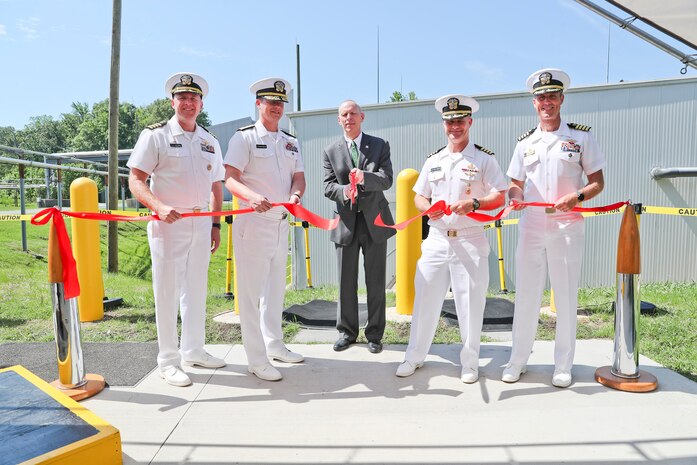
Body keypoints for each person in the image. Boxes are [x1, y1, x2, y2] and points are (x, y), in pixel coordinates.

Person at [502, 68, 606, 388]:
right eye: (540, 97)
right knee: (527, 295)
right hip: (532, 225)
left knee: (565, 295)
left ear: (562, 99)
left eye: (551, 96)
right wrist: (515, 198)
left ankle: (563, 364)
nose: (546, 102)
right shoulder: (525, 143)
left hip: (566, 224)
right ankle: (518, 359)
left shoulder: (580, 137)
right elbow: (515, 184)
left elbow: (597, 183)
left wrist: (575, 197)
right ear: (534, 103)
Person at [396, 95, 507, 382]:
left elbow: (499, 194)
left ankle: (470, 363)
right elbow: (420, 196)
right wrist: (427, 208)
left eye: (459, 121)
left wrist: (476, 204)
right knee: (425, 300)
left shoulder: (484, 159)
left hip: (469, 239)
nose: (454, 127)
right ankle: (414, 356)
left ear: (470, 122)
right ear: (443, 124)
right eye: (449, 122)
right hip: (436, 238)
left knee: (470, 303)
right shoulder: (434, 160)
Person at [127, 72, 226, 387]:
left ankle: (194, 349)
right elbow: (136, 180)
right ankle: (168, 360)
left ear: (201, 103)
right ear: (172, 102)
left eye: (193, 98)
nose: (188, 103)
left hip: (200, 224)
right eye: (182, 97)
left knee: (196, 289)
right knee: (168, 291)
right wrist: (157, 206)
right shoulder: (155, 135)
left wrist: (214, 223)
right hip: (168, 224)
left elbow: (216, 185)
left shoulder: (209, 141)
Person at [223, 77, 305, 382]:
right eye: (270, 102)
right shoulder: (243, 138)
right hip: (254, 224)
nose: (276, 107)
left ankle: (275, 344)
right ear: (259, 104)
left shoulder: (290, 141)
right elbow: (230, 178)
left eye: (280, 102)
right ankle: (256, 358)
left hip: (281, 223)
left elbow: (299, 177)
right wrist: (251, 196)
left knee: (275, 291)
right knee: (251, 294)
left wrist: (296, 195)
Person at [323, 100, 396, 354]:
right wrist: (345, 190)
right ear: (338, 119)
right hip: (346, 224)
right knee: (346, 282)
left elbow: (387, 179)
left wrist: (366, 177)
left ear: (362, 117)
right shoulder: (330, 150)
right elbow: (328, 186)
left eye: (353, 113)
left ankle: (375, 334)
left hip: (375, 222)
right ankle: (347, 332)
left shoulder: (379, 145)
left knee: (376, 282)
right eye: (344, 114)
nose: (349, 118)